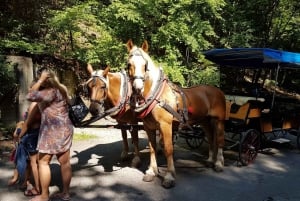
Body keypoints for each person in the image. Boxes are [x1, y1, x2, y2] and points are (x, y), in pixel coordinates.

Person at [26, 68, 74, 201]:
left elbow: (29, 96)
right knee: (65, 162)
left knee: (43, 162)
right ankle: (66, 193)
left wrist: (40, 80)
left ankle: (44, 196)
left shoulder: (49, 92)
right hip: (65, 129)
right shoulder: (62, 89)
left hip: (52, 131)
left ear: (45, 80)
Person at [18, 101, 41, 196]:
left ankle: (38, 187)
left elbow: (27, 123)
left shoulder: (34, 104)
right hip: (39, 134)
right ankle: (28, 183)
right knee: (37, 162)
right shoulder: (43, 104)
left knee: (33, 163)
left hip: (32, 135)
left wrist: (20, 136)